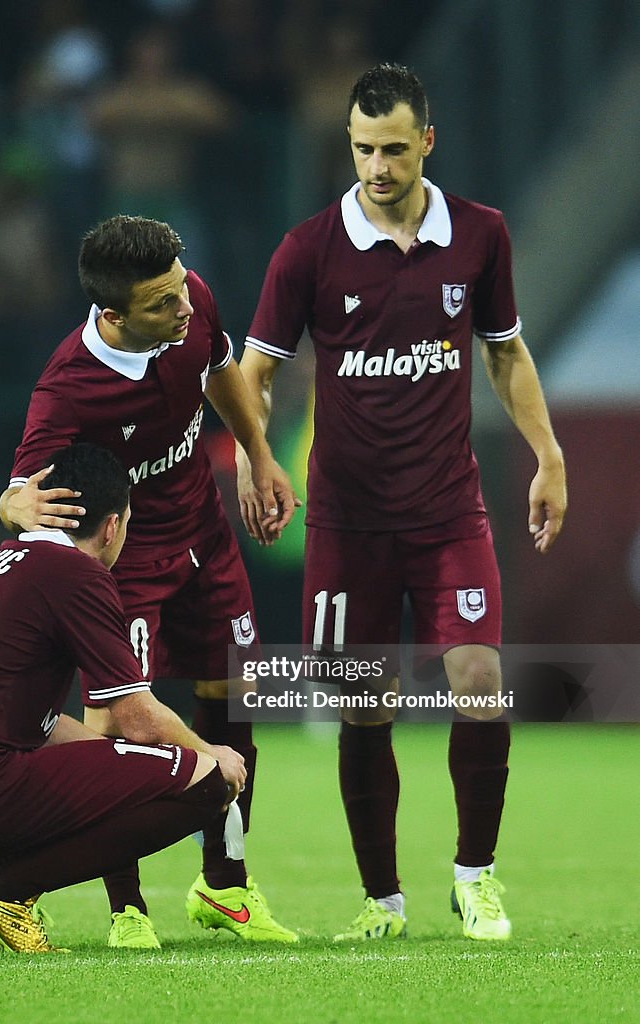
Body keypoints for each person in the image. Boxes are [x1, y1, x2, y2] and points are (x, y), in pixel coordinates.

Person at [239, 63, 567, 943]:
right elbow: (257, 372)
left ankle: (476, 877)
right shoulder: (308, 249)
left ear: (427, 140)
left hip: (448, 508)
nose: (375, 167)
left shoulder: (481, 235)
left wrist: (548, 453)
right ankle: (382, 900)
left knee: (479, 679)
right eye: (360, 150)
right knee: (363, 704)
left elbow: (504, 351)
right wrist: (255, 455)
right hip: (346, 521)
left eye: (391, 148)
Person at [0, 215, 299, 948]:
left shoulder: (189, 298)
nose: (186, 308)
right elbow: (16, 493)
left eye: (181, 290)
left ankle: (225, 885)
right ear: (112, 315)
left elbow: (220, 367)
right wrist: (14, 505)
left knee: (233, 692)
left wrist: (259, 455)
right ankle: (126, 909)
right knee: (114, 728)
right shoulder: (68, 390)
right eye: (163, 304)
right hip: (127, 562)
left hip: (206, 535)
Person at [0, 443, 246, 954]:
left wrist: (104, 759)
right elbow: (135, 716)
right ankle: (5, 895)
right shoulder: (75, 574)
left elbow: (30, 723)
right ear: (112, 527)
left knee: (96, 764)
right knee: (203, 783)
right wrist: (210, 756)